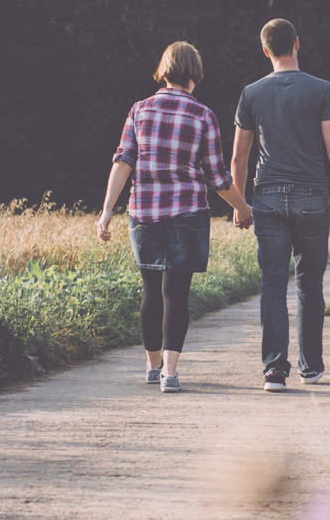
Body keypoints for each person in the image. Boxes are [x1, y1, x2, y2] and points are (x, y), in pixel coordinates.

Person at [97, 41, 247, 393]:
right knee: (176, 293)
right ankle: (171, 373)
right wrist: (243, 207)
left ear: (164, 70)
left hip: (143, 212)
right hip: (187, 214)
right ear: (194, 73)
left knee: (150, 291)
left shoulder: (140, 110)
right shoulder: (203, 116)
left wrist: (107, 211)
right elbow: (217, 177)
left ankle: (151, 367)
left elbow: (123, 161)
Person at [230, 18, 330, 392]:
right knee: (310, 284)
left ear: (265, 50)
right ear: (297, 44)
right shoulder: (321, 90)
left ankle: (274, 371)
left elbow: (239, 156)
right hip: (313, 197)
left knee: (272, 284)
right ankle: (311, 367)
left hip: (266, 197)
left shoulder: (251, 93)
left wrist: (239, 202)